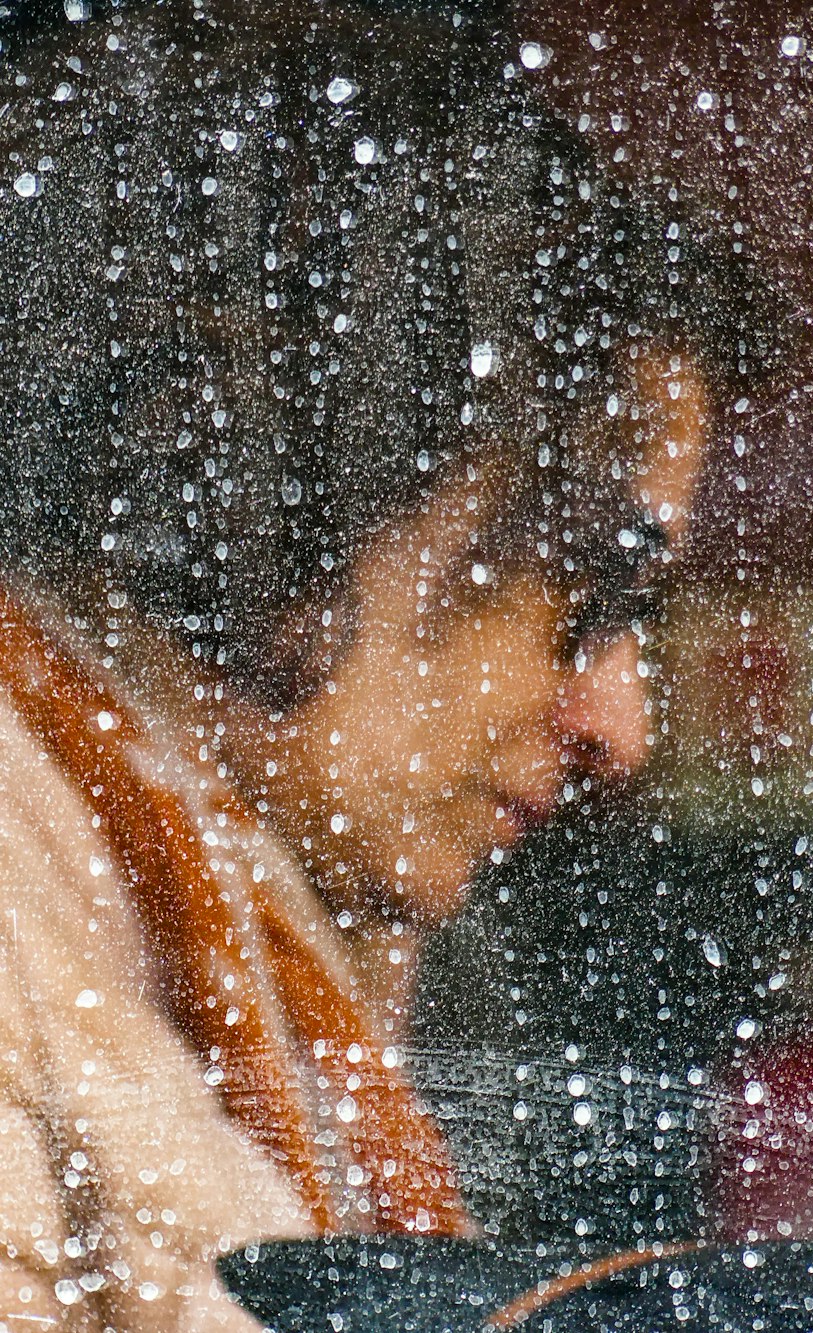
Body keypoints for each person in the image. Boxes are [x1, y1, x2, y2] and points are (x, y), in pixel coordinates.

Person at [0, 0, 771, 1326]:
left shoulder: (214, 925)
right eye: (581, 586)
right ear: (299, 498)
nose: (620, 724)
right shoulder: (41, 918)